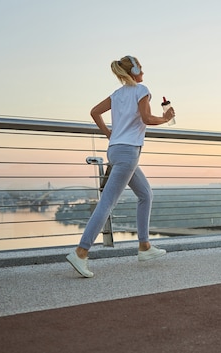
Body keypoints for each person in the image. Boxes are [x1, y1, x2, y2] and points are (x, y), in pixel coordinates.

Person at [66, 55, 175, 278]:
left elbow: (94, 112)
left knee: (145, 194)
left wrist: (110, 134)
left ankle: (144, 247)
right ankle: (80, 252)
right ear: (133, 69)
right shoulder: (141, 90)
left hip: (116, 149)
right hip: (128, 152)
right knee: (107, 203)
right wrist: (166, 118)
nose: (143, 69)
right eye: (140, 66)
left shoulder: (117, 95)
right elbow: (146, 118)